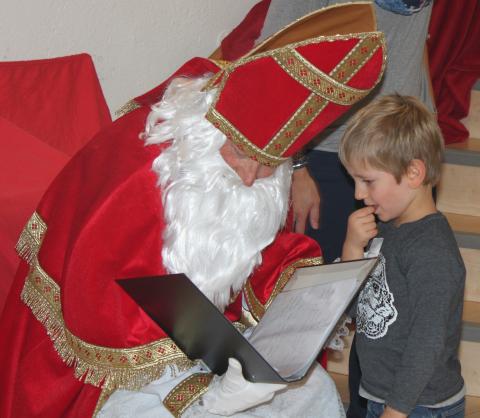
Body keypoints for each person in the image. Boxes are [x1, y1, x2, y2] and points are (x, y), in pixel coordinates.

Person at [0, 4, 386, 417]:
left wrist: (296, 289)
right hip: (113, 365)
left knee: (317, 393)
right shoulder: (141, 175)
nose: (251, 177)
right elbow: (99, 303)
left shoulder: (259, 182)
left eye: (269, 165)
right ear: (213, 129)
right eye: (242, 155)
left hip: (209, 340)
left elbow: (261, 252)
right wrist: (205, 385)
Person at [339, 94, 466, 418]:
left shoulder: (431, 252)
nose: (358, 194)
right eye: (355, 181)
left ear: (413, 173)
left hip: (419, 406)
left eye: (367, 181)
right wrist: (352, 249)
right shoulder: (385, 230)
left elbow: (427, 343)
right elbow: (359, 313)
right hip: (382, 396)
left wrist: (396, 411)